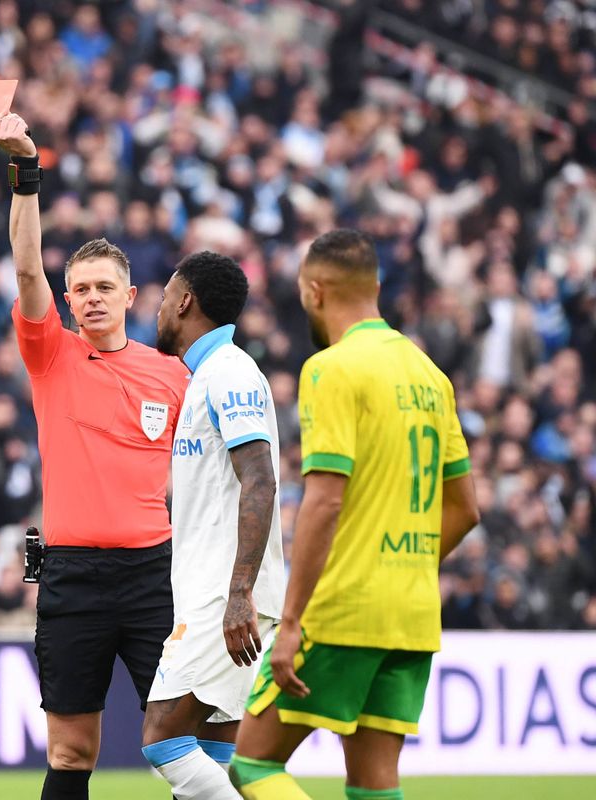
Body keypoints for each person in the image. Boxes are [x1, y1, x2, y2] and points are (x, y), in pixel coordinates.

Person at [229, 230, 480, 799]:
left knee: (253, 766)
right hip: (413, 614)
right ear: (377, 287)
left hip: (344, 608)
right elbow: (465, 508)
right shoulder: (430, 376)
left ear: (315, 291)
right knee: (373, 782)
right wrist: (406, 567)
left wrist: (290, 621)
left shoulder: (331, 369)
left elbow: (325, 499)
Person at [0, 113, 189, 800]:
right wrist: (26, 174)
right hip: (73, 573)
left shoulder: (172, 373)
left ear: (130, 297)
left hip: (154, 574)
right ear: (66, 300)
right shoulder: (51, 354)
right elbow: (24, 264)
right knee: (71, 753)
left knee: (183, 741)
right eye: (80, 289)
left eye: (105, 287)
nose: (91, 298)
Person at [141, 251, 287, 797]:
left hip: (223, 596)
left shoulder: (228, 371)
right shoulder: (206, 376)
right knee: (212, 751)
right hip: (216, 592)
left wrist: (239, 592)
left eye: (163, 296)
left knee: (162, 739)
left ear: (185, 301)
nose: (157, 309)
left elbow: (261, 480)